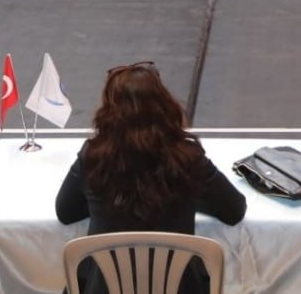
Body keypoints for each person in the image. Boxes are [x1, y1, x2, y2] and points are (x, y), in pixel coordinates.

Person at [55, 62, 246, 294]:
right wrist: (191, 197)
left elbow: (66, 212)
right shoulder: (188, 158)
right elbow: (234, 210)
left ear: (109, 111)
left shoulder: (93, 157)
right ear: (164, 105)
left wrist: (102, 200)